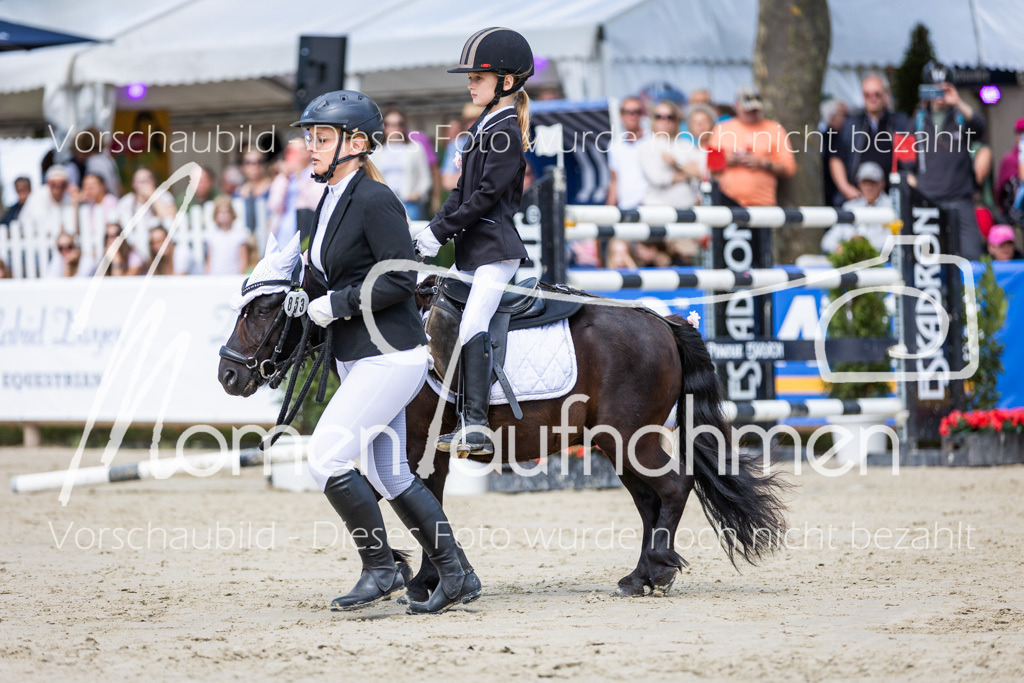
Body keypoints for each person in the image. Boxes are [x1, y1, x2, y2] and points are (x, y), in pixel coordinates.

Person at [289, 89, 481, 614]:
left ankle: (380, 568)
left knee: (324, 458)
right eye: (310, 137)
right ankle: (457, 573)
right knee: (390, 473)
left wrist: (341, 303)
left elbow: (400, 276)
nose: (311, 146)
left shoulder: (375, 199)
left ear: (356, 142)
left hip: (389, 353)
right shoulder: (329, 197)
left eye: (321, 138)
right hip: (359, 353)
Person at [414, 27, 533, 457]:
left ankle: (477, 425)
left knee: (472, 324)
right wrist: (429, 230)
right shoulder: (486, 125)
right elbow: (460, 193)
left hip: (495, 251)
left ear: (505, 82)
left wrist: (439, 233)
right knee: (437, 315)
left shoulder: (505, 132)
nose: (470, 83)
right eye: (470, 78)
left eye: (478, 77)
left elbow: (484, 198)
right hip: (472, 249)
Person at [911, 62, 986, 260]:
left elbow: (980, 127)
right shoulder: (917, 121)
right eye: (934, 87)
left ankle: (969, 292)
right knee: (929, 261)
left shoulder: (960, 117)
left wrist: (957, 101)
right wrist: (914, 184)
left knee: (971, 256)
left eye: (944, 87)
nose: (939, 93)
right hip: (928, 202)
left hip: (960, 199)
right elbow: (906, 163)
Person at [638, 99, 703, 263]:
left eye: (670, 117)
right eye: (659, 116)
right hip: (656, 213)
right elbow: (659, 179)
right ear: (653, 120)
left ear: (677, 120)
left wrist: (675, 164)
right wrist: (686, 172)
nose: (665, 121)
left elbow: (701, 172)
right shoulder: (647, 145)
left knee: (686, 258)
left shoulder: (685, 143)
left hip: (684, 213)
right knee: (659, 261)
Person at [707, 86, 796, 206]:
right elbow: (710, 166)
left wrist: (762, 163)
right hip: (727, 199)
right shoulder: (722, 128)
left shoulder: (774, 129)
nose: (751, 113)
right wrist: (727, 159)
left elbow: (789, 168)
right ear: (736, 106)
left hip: (762, 202)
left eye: (755, 109)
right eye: (747, 109)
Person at [830, 74, 910, 202]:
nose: (872, 99)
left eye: (877, 94)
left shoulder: (899, 122)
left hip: (890, 198)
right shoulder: (851, 123)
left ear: (886, 94)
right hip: (856, 198)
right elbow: (836, 158)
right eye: (867, 95)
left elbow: (908, 161)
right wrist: (845, 188)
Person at [820, 162, 892, 255]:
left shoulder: (891, 206)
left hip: (878, 260)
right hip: (848, 259)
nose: (868, 187)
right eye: (865, 182)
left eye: (872, 182)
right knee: (805, 260)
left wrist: (862, 246)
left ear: (882, 183)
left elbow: (893, 240)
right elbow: (827, 241)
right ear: (859, 183)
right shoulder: (849, 207)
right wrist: (839, 248)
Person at [373, 108, 432, 219]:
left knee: (410, 234)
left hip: (409, 203)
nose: (394, 128)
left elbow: (425, 177)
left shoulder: (415, 148)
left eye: (399, 124)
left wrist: (418, 194)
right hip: (383, 202)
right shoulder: (376, 151)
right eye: (389, 124)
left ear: (404, 126)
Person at [266, 136, 321, 244]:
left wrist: (300, 176)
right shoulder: (283, 177)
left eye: (297, 151)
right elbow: (273, 206)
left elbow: (316, 204)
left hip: (306, 229)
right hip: (284, 232)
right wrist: (284, 178)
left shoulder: (316, 174)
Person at [20, 166, 74, 238]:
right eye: (53, 185)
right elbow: (44, 226)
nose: (58, 189)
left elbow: (72, 227)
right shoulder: (37, 197)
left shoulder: (68, 198)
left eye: (62, 185)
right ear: (47, 184)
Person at [76, 173, 119, 264]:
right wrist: (76, 204)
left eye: (92, 185)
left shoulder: (111, 201)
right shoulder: (87, 206)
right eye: (86, 186)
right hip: (90, 250)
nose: (88, 189)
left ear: (103, 186)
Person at [205, 196, 251, 275]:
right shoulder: (212, 236)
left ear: (232, 214)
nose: (224, 215)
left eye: (227, 212)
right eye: (220, 212)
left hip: (234, 276)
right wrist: (207, 275)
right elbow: (209, 260)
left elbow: (243, 259)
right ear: (215, 215)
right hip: (215, 277)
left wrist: (241, 275)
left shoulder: (239, 236)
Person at [235, 149, 274, 234]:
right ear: (243, 166)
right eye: (248, 162)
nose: (254, 166)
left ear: (264, 164)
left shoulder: (273, 187)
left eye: (259, 162)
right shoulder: (238, 192)